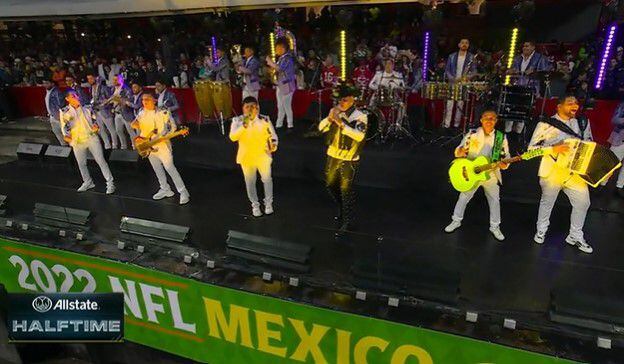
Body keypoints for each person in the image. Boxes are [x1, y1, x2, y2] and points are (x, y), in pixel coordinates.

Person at [528, 95, 593, 254]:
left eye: (576, 102)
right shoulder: (545, 124)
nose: (575, 105)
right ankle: (541, 230)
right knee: (547, 203)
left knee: (583, 203)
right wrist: (552, 149)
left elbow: (589, 143)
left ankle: (575, 235)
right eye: (570, 102)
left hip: (574, 173)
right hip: (552, 172)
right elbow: (530, 150)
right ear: (559, 106)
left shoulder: (582, 123)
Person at [444, 110, 509, 241]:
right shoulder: (472, 134)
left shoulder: (500, 137)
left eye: (492, 118)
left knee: (495, 200)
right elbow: (460, 149)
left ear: (496, 121)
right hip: (472, 173)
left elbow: (506, 156)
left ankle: (495, 226)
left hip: (490, 173)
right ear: (481, 120)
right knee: (464, 197)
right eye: (486, 118)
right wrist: (460, 152)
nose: (489, 120)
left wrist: (504, 164)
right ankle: (456, 220)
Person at [318, 82, 368, 234]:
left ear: (353, 99)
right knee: (330, 184)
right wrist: (329, 119)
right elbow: (321, 128)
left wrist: (341, 124)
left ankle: (348, 220)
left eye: (345, 100)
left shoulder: (360, 116)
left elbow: (359, 136)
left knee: (346, 189)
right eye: (340, 100)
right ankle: (341, 207)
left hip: (349, 158)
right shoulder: (336, 111)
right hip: (333, 155)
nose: (342, 103)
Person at [131, 93, 190, 205]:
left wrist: (166, 134)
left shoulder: (163, 112)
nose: (145, 102)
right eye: (143, 100)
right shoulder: (141, 112)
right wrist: (141, 131)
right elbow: (134, 123)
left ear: (154, 100)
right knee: (157, 168)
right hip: (148, 145)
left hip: (162, 145)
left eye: (147, 99)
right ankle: (165, 189)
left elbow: (173, 127)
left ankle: (183, 192)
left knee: (170, 168)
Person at [229, 96, 278, 217]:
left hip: (263, 156)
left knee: (267, 180)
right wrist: (245, 124)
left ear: (258, 107)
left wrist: (273, 145)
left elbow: (273, 136)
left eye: (253, 107)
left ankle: (268, 203)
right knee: (250, 182)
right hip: (247, 157)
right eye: (247, 107)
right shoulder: (237, 121)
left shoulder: (265, 119)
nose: (250, 109)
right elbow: (233, 137)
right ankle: (255, 205)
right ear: (243, 108)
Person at [59, 90, 115, 194]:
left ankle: (110, 182)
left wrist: (96, 128)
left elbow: (94, 123)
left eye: (76, 95)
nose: (76, 97)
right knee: (81, 163)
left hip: (91, 138)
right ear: (67, 99)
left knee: (101, 160)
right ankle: (88, 182)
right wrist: (67, 136)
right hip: (77, 141)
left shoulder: (87, 108)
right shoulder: (64, 111)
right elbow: (65, 127)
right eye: (73, 96)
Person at [506, 41, 552, 133]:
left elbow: (545, 73)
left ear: (533, 47)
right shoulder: (517, 58)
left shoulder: (540, 58)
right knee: (511, 111)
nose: (524, 48)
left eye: (527, 46)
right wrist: (511, 71)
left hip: (531, 89)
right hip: (516, 87)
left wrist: (534, 72)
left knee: (524, 112)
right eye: (523, 46)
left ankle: (519, 134)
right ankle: (508, 133)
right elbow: (511, 71)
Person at [443, 38, 476, 129]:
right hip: (452, 83)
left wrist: (466, 78)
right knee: (449, 104)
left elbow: (474, 71)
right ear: (459, 45)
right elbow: (447, 70)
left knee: (460, 105)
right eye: (463, 43)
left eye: (466, 43)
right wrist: (452, 79)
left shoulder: (471, 57)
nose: (464, 44)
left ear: (468, 45)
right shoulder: (452, 56)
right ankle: (447, 125)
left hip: (463, 84)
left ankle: (456, 125)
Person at [266, 38, 297, 131]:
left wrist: (270, 63)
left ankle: (290, 125)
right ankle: (279, 124)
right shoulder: (281, 58)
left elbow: (280, 68)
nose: (276, 50)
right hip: (280, 85)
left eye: (277, 48)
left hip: (287, 86)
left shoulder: (287, 58)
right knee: (280, 105)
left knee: (287, 106)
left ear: (282, 48)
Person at [86, 72, 116, 149]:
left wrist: (104, 103)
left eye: (91, 78)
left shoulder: (103, 87)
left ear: (95, 78)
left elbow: (110, 99)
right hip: (96, 111)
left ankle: (115, 145)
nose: (89, 80)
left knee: (111, 129)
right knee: (101, 130)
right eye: (88, 79)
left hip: (105, 111)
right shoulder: (90, 88)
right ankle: (107, 145)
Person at [602, 100, 624, 197]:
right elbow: (614, 119)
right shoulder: (622, 105)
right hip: (620, 139)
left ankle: (620, 186)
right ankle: (602, 184)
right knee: (611, 162)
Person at [110, 74, 135, 149]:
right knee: (118, 131)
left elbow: (130, 100)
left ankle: (135, 146)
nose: (114, 81)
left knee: (130, 131)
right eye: (113, 80)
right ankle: (123, 146)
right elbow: (111, 100)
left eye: (116, 80)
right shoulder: (112, 89)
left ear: (121, 80)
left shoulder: (126, 89)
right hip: (117, 113)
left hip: (126, 113)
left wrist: (119, 100)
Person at [42, 79, 67, 145]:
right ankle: (65, 148)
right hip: (52, 116)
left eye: (47, 83)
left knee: (65, 134)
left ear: (52, 84)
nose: (45, 85)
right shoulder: (48, 91)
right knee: (58, 134)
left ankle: (69, 149)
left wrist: (60, 115)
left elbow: (61, 104)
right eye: (44, 83)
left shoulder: (56, 92)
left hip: (58, 117)